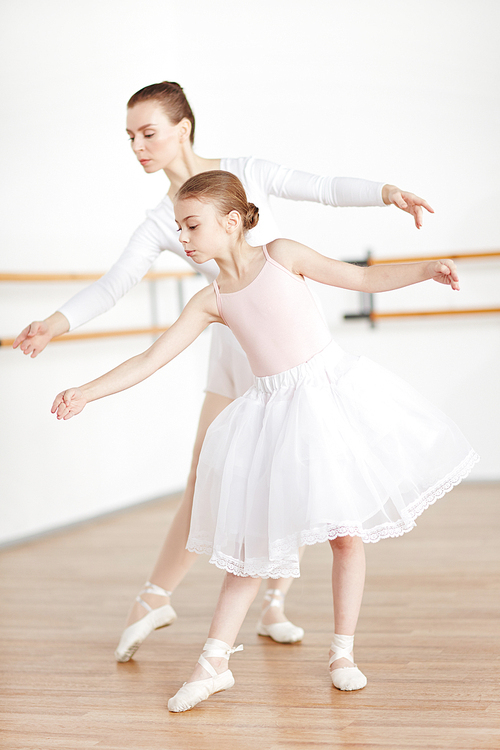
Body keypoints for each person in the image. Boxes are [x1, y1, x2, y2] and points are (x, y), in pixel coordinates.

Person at [14, 81, 436, 659]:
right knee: (211, 478)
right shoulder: (163, 222)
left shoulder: (245, 174)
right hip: (230, 345)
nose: (137, 146)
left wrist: (388, 192)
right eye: (130, 137)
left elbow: (325, 189)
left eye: (148, 132)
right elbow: (114, 287)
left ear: (182, 127)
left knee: (306, 474)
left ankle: (276, 601)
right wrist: (55, 325)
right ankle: (159, 594)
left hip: (287, 344)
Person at [51, 170, 478, 712]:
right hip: (271, 417)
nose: (183, 239)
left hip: (327, 401)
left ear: (231, 222)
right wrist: (87, 392)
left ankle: (342, 653)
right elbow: (151, 359)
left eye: (191, 226)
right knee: (252, 554)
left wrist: (426, 269)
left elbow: (363, 279)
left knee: (346, 535)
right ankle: (213, 665)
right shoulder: (211, 300)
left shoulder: (283, 254)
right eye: (180, 228)